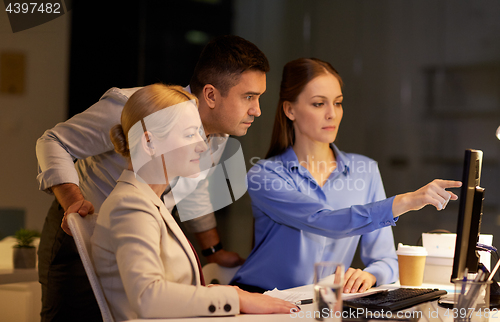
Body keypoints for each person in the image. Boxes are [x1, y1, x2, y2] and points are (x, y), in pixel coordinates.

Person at [36, 35, 269, 322]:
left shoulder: (217, 136)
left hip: (142, 239)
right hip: (78, 228)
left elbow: (192, 190)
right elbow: (53, 141)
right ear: (210, 95)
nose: (257, 110)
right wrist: (74, 202)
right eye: (249, 97)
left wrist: (214, 251)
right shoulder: (135, 107)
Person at [231, 58, 462, 294]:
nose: (332, 114)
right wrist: (406, 201)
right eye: (319, 104)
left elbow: (386, 259)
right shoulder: (265, 175)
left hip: (322, 306)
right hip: (258, 299)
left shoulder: (366, 169)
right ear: (290, 110)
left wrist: (370, 275)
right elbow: (323, 220)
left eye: (338, 103)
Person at [90, 84, 297, 321]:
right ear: (149, 143)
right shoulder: (131, 206)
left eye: (199, 132)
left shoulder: (150, 202)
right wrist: (236, 298)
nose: (202, 144)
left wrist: (226, 293)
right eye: (190, 134)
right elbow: (148, 297)